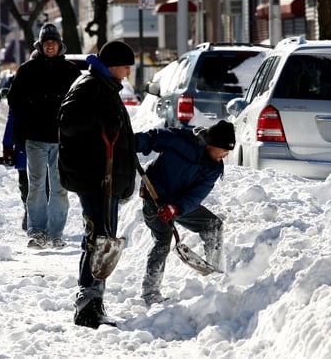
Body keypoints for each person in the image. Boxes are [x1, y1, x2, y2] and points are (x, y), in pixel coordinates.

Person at [58, 40, 137, 328]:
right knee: (97, 239)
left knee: (103, 238)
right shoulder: (89, 85)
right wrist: (99, 122)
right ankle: (87, 305)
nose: (128, 70)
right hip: (93, 177)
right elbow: (67, 122)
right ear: (112, 64)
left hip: (106, 178)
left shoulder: (105, 85)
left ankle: (95, 301)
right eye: (125, 65)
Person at [134, 119, 232, 306]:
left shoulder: (214, 168)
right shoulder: (182, 140)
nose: (226, 155)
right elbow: (154, 138)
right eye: (225, 150)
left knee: (213, 225)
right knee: (163, 240)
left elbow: (196, 195)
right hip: (154, 198)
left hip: (177, 203)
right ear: (212, 144)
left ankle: (216, 275)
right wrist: (135, 143)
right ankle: (150, 292)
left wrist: (176, 208)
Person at [7, 24, 81, 249]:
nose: (50, 46)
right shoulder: (27, 70)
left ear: (59, 45)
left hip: (63, 139)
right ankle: (37, 231)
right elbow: (14, 100)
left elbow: (82, 101)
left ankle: (56, 233)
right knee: (36, 185)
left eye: (53, 42)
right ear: (40, 45)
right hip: (35, 138)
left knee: (59, 188)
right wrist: (25, 122)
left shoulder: (70, 71)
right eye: (46, 42)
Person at [0, 106, 30, 231]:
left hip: (24, 140)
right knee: (38, 181)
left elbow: (12, 116)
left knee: (26, 181)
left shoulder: (20, 88)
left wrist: (7, 145)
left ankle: (30, 212)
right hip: (40, 139)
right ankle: (33, 212)